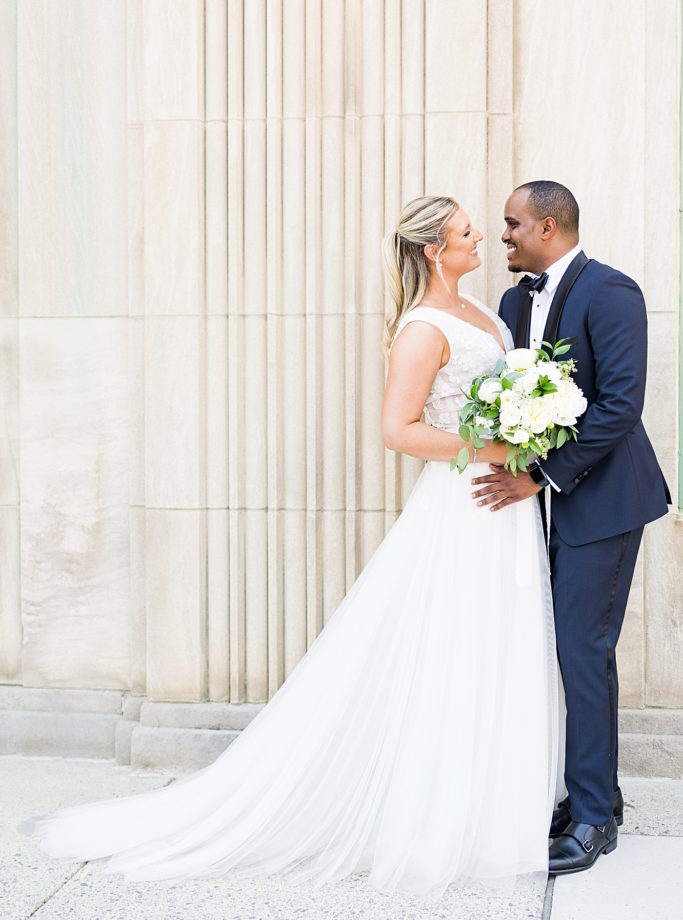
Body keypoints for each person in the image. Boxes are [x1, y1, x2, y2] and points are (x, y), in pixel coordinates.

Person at [19, 196, 559, 899]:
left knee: (500, 639)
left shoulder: (485, 313)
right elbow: (398, 430)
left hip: (505, 502)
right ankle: (444, 813)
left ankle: (500, 803)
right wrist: (491, 445)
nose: (479, 234)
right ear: (434, 249)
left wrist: (531, 425)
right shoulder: (422, 330)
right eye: (464, 231)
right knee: (451, 644)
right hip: (463, 502)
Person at [471, 181, 670, 876]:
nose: (503, 236)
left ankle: (590, 819)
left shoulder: (610, 291)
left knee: (581, 652)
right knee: (563, 653)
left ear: (548, 227)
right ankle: (595, 797)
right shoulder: (508, 302)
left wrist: (540, 477)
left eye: (511, 225)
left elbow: (618, 406)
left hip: (604, 501)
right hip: (536, 509)